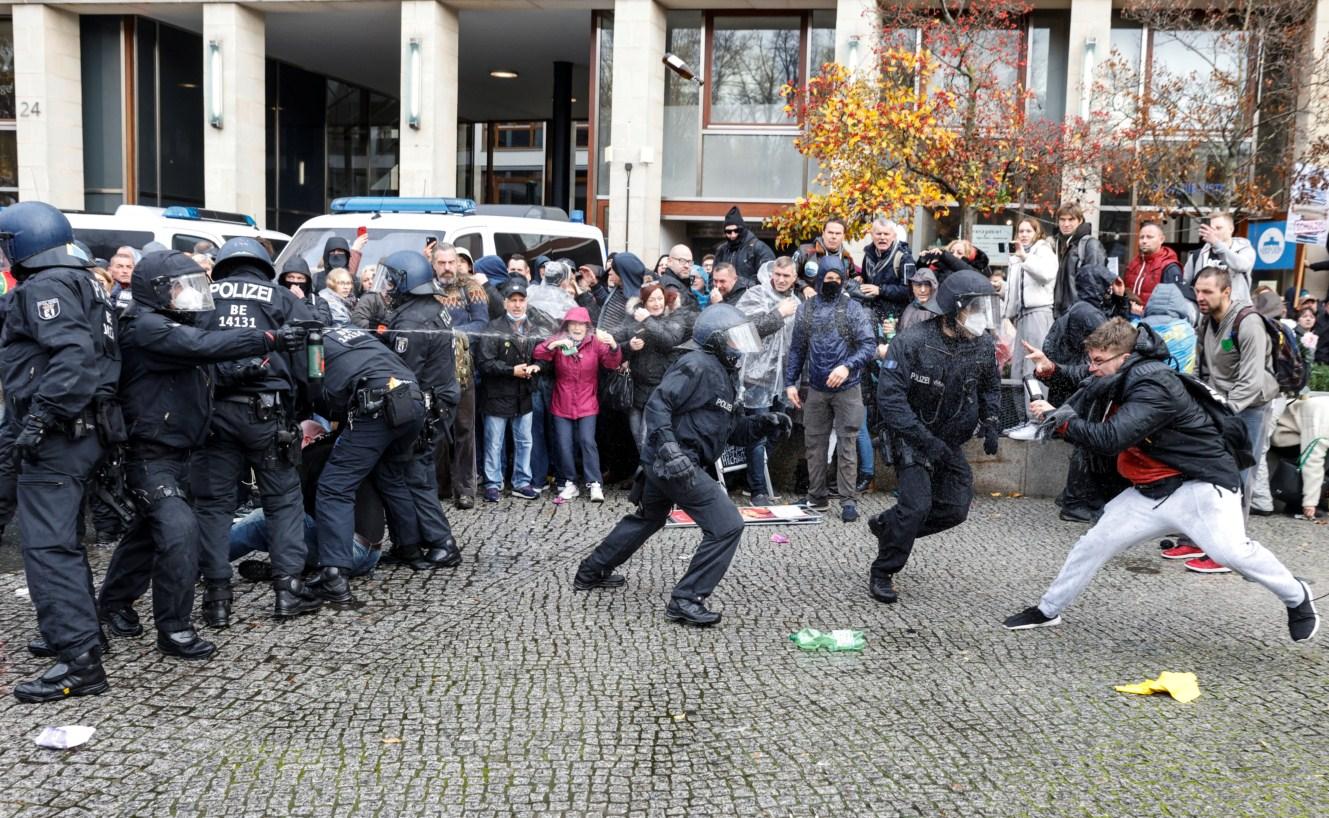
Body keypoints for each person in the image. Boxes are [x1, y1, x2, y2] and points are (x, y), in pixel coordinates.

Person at [1005, 319, 1319, 643]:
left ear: (1124, 358)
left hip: (1199, 485)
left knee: (1232, 554)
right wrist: (1052, 368)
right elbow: (1087, 379)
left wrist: (1063, 423)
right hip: (1151, 489)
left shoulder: (1154, 385)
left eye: (1098, 361)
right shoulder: (1120, 371)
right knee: (1092, 544)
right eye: (1091, 359)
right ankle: (1048, 609)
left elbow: (1112, 437)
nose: (1091, 367)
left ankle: (1297, 596)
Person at [98, 251, 312, 661]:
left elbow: (205, 369)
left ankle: (113, 603)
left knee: (146, 534)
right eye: (178, 287)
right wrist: (269, 338)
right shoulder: (146, 326)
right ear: (157, 290)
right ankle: (175, 628)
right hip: (149, 453)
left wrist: (249, 368)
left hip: (178, 450)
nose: (186, 295)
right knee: (179, 532)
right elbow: (200, 346)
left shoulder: (169, 326)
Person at [572, 305, 790, 626]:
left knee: (649, 518)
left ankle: (591, 571)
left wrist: (764, 425)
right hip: (675, 462)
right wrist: (671, 451)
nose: (739, 348)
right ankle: (687, 599)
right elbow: (658, 405)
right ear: (715, 341)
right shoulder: (696, 364)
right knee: (727, 525)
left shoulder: (725, 373)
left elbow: (733, 431)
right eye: (733, 341)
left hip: (674, 462)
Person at [0, 202, 122, 702]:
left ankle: (80, 662)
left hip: (58, 434)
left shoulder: (46, 285)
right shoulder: (86, 281)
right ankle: (78, 635)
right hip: (85, 431)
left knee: (49, 549)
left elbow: (73, 358)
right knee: (66, 541)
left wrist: (38, 418)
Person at [191, 238, 317, 628]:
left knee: (213, 507)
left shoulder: (202, 296)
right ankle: (288, 590)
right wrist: (301, 410)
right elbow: (311, 362)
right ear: (264, 267)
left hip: (214, 416)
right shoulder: (282, 298)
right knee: (282, 503)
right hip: (269, 417)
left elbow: (185, 351)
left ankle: (216, 599)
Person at [867, 270, 1002, 604]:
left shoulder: (982, 344)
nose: (981, 318)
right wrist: (926, 442)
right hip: (911, 436)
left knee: (956, 508)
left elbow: (990, 385)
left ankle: (889, 525)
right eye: (975, 310)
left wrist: (992, 420)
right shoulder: (912, 342)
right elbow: (891, 401)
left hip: (947, 439)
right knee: (915, 507)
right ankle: (884, 570)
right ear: (954, 311)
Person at [303, 327, 443, 605]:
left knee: (334, 486)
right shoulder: (352, 334)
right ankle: (410, 549)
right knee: (390, 475)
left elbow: (315, 390)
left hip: (376, 402)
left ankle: (334, 573)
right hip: (410, 399)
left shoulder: (308, 342)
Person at [380, 250, 464, 569]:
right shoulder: (426, 308)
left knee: (415, 475)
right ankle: (407, 542)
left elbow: (402, 372)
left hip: (426, 408)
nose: (387, 286)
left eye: (392, 280)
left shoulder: (414, 319)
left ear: (407, 281)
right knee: (409, 472)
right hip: (435, 403)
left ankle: (442, 542)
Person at [784, 257, 876, 522]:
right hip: (816, 386)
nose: (832, 282)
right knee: (814, 443)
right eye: (828, 277)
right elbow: (798, 348)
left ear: (844, 278)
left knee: (847, 443)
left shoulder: (853, 308)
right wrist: (790, 382)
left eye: (837, 277)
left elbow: (868, 345)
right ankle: (817, 496)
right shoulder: (807, 309)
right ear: (819, 277)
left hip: (848, 386)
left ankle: (848, 500)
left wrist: (847, 366)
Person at [533, 306, 622, 502]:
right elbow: (539, 353)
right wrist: (553, 345)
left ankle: (594, 483)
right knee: (564, 444)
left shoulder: (595, 342)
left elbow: (611, 363)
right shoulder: (559, 338)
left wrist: (615, 346)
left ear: (587, 326)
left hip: (587, 400)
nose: (577, 328)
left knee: (587, 441)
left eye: (581, 324)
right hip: (562, 401)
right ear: (567, 325)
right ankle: (569, 483)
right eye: (573, 324)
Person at [734, 257, 802, 504]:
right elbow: (744, 331)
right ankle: (758, 490)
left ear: (795, 277)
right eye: (778, 274)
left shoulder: (797, 302)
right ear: (772, 273)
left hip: (783, 380)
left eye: (787, 276)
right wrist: (778, 314)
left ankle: (751, 478)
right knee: (757, 434)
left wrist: (794, 379)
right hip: (756, 378)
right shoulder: (756, 295)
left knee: (777, 431)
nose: (782, 280)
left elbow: (797, 344)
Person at [475, 278, 545, 501]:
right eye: (512, 300)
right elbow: (484, 362)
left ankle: (522, 481)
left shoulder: (534, 327)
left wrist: (538, 366)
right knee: (494, 442)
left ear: (526, 302)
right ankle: (493, 483)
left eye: (521, 300)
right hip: (497, 394)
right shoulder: (493, 327)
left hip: (523, 394)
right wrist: (510, 370)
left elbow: (545, 356)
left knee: (525, 441)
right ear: (504, 303)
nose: (517, 305)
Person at [432, 243, 490, 509]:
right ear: (433, 264)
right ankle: (441, 485)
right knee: (437, 431)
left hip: (464, 372)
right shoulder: (426, 289)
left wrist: (452, 334)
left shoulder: (471, 289)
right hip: (434, 373)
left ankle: (465, 489)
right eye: (441, 263)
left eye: (450, 263)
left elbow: (481, 324)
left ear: (458, 263)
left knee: (464, 430)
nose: (446, 268)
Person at [621, 283, 685, 452]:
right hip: (637, 388)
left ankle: (648, 475)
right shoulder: (634, 319)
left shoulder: (674, 317)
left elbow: (669, 339)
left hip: (659, 388)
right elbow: (619, 338)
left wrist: (647, 320)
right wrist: (629, 346)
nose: (656, 304)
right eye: (651, 300)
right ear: (643, 303)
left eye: (659, 299)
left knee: (646, 439)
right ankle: (646, 473)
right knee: (637, 438)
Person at [1004, 217, 1059, 380]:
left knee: (1035, 366)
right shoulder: (1019, 255)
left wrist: (1025, 258)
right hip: (1021, 315)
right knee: (1018, 367)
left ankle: (1036, 404)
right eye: (1021, 231)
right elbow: (1018, 289)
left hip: (1038, 313)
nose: (1024, 234)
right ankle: (1019, 406)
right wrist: (1002, 289)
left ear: (1037, 233)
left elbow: (1046, 275)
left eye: (1028, 231)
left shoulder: (1044, 250)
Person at [1182, 212, 1256, 304]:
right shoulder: (1198, 255)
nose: (1214, 232)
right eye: (1212, 229)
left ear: (1231, 229)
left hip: (1235, 311)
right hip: (1205, 312)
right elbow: (1185, 284)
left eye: (1219, 228)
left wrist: (1217, 244)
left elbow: (1241, 266)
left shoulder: (1244, 250)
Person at [1052, 203, 1107, 316]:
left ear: (1080, 220)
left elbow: (1095, 287)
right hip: (1058, 313)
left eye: (1071, 219)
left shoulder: (1090, 245)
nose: (1066, 224)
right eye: (1062, 220)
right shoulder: (1056, 244)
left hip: (1078, 314)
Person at [857, 218, 915, 321]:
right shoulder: (868, 256)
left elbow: (909, 291)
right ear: (872, 235)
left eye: (886, 234)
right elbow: (866, 282)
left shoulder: (904, 258)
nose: (882, 237)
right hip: (870, 313)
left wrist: (880, 290)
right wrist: (860, 279)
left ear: (894, 236)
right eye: (878, 234)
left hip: (894, 318)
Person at [1122, 221, 1182, 308]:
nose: (1144, 241)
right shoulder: (1133, 263)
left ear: (1161, 239)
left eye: (1149, 237)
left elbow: (1172, 304)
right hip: (1129, 317)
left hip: (1155, 319)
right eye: (1141, 237)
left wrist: (1144, 312)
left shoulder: (1169, 267)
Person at [712, 206, 775, 284]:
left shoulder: (759, 248)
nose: (733, 235)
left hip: (752, 294)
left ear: (742, 229)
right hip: (725, 294)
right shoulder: (722, 250)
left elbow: (768, 276)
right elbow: (713, 276)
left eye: (736, 230)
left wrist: (743, 285)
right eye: (728, 232)